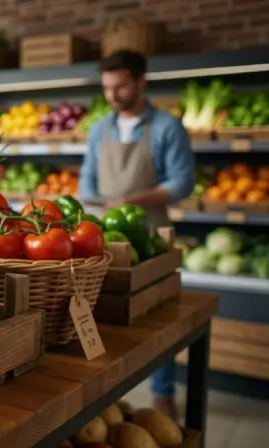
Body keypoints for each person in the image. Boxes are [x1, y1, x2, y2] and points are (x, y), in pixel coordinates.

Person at [79, 50, 195, 420]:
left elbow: (182, 182)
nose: (113, 95)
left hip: (151, 233)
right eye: (107, 88)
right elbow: (86, 181)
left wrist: (134, 200)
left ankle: (162, 393)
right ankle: (103, 395)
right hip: (105, 235)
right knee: (104, 310)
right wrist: (91, 207)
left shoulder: (167, 127)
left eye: (121, 86)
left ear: (141, 82)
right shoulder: (100, 129)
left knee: (156, 314)